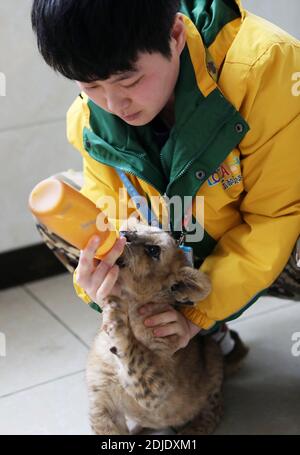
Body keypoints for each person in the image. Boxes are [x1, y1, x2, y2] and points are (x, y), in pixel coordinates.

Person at [31, 0, 300, 363]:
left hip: (280, 243)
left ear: (175, 35)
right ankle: (208, 340)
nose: (114, 103)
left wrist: (193, 315)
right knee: (65, 217)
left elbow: (275, 217)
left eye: (130, 80)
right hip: (179, 247)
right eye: (91, 84)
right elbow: (113, 222)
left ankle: (202, 323)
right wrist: (103, 284)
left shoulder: (266, 67)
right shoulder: (90, 117)